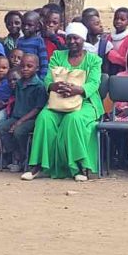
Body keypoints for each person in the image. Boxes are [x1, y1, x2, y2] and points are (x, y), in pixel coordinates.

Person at [22, 22, 103, 182]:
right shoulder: (58, 56)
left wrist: (77, 90)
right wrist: (54, 86)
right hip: (58, 100)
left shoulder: (94, 60)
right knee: (44, 117)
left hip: (85, 102)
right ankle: (38, 166)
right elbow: (47, 78)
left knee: (73, 119)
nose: (72, 41)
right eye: (69, 38)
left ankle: (79, 167)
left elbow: (94, 82)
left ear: (83, 40)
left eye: (76, 38)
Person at [0, 54, 46, 172]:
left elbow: (37, 109)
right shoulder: (19, 83)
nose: (25, 69)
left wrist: (19, 122)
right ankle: (16, 154)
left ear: (37, 68)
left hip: (31, 119)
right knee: (2, 128)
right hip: (17, 117)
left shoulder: (39, 86)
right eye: (22, 66)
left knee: (19, 132)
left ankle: (26, 157)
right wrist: (15, 120)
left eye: (29, 66)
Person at [17, 10, 49, 78]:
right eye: (23, 24)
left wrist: (42, 78)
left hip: (35, 78)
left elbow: (44, 62)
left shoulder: (39, 41)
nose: (26, 27)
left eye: (30, 25)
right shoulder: (19, 41)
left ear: (37, 27)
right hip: (21, 76)